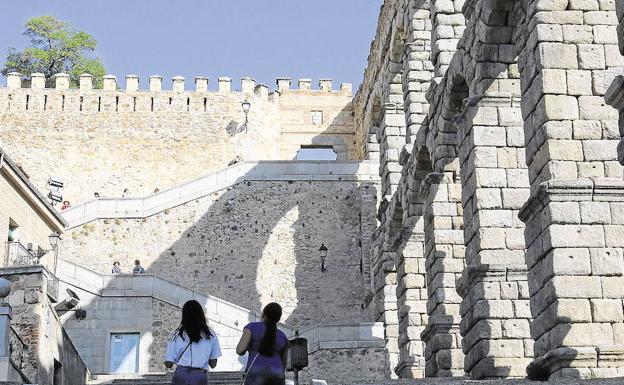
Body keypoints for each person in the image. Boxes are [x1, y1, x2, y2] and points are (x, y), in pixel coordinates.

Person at [165, 300, 221, 385]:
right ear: (201, 315)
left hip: (181, 377)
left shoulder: (176, 335)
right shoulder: (210, 335)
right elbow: (213, 364)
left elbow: (168, 363)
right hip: (199, 377)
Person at [236, 303, 288, 385]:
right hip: (277, 373)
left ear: (263, 314)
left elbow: (240, 350)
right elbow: (284, 363)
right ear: (278, 319)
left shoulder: (251, 327)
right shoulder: (283, 336)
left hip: (256, 371)